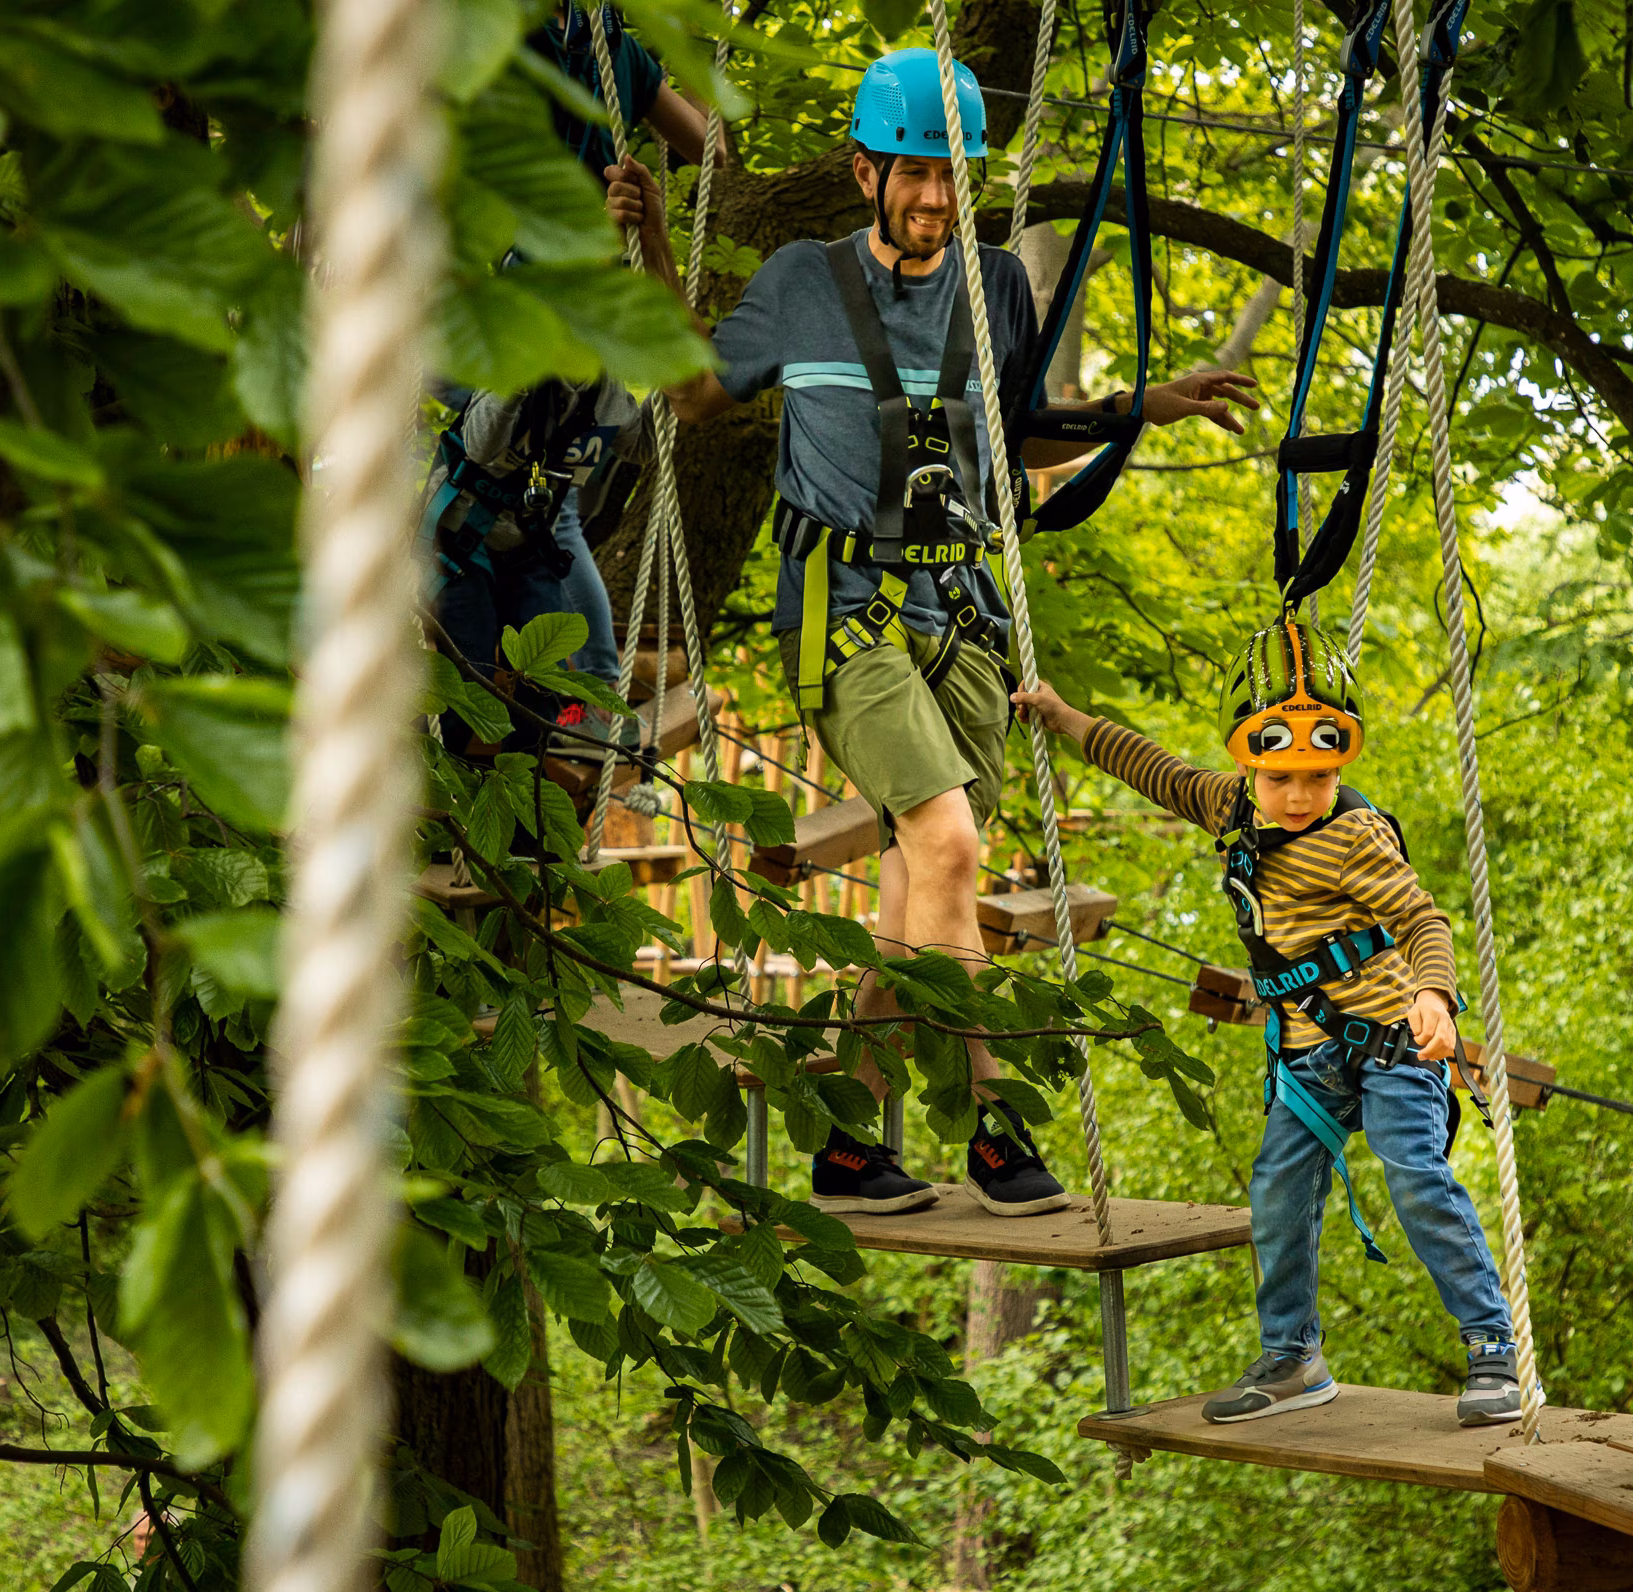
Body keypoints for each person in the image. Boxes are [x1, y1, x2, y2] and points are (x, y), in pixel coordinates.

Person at [611, 47, 1261, 1218]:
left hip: (959, 612)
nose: (934, 198)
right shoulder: (802, 282)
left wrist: (1134, 411)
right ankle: (998, 1125)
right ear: (865, 173)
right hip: (849, 611)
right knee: (952, 848)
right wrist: (658, 247)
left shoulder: (997, 284)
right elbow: (698, 392)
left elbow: (1020, 442)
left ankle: (847, 1144)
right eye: (914, 174)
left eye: (952, 176)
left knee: (920, 889)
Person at [1010, 615, 1524, 1427]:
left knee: (1417, 1177)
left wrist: (1433, 996)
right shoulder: (1231, 808)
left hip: (1392, 1045)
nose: (1296, 796)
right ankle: (1291, 1356)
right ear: (1248, 764)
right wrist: (1066, 718)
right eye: (1279, 777)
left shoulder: (1353, 838)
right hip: (1308, 1060)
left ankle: (1493, 1348)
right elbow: (1152, 768)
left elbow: (1426, 921)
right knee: (1278, 1196)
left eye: (1316, 778)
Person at [426, 3, 714, 732]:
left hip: (569, 291)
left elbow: (708, 144)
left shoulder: (610, 44)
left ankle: (559, 743)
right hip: (504, 295)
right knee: (473, 476)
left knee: (573, 650)